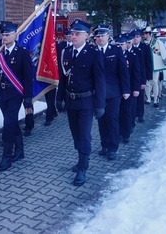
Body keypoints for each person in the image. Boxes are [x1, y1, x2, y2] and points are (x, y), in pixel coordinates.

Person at [56, 19, 105, 186]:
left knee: (84, 136)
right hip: (71, 101)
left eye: (77, 34)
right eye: (72, 33)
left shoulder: (94, 54)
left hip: (86, 102)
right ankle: (81, 159)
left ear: (86, 36)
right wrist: (59, 97)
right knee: (76, 134)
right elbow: (63, 78)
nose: (73, 36)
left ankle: (83, 168)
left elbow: (100, 80)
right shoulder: (67, 52)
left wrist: (100, 104)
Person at [0, 21, 33, 172]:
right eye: (3, 34)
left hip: (16, 94)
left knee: (8, 124)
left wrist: (28, 97)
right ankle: (20, 150)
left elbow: (28, 77)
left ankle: (6, 158)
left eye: (7, 34)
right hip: (3, 94)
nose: (4, 37)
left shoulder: (22, 52)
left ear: (15, 35)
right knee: (12, 122)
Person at [93, 25, 130, 161]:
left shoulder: (116, 50)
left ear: (108, 36)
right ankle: (104, 145)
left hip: (114, 92)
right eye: (97, 36)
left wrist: (126, 90)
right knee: (101, 120)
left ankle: (113, 148)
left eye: (102, 36)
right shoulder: (92, 51)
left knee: (113, 119)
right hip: (98, 93)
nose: (100, 38)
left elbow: (123, 72)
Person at [117, 34, 141, 144]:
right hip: (116, 90)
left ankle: (126, 134)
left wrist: (136, 88)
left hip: (129, 89)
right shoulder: (113, 55)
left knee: (126, 112)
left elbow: (136, 73)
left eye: (121, 44)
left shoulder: (132, 56)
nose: (119, 46)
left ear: (126, 45)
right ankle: (117, 133)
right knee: (116, 112)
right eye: (117, 44)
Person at [143, 27, 166, 107]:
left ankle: (156, 99)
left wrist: (165, 63)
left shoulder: (157, 42)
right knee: (147, 82)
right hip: (146, 65)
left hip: (156, 65)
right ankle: (148, 98)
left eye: (145, 34)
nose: (143, 35)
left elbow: (162, 52)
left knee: (155, 82)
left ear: (148, 34)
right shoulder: (143, 43)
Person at [132, 28, 152, 122]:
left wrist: (149, 76)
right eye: (134, 37)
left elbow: (148, 63)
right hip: (131, 76)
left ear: (141, 37)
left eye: (137, 37)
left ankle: (140, 115)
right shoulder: (130, 47)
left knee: (140, 96)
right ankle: (133, 114)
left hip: (141, 75)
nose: (135, 39)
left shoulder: (145, 47)